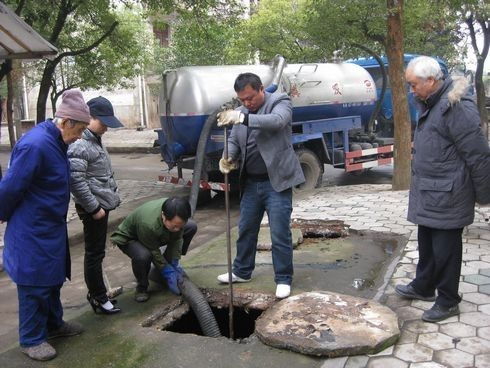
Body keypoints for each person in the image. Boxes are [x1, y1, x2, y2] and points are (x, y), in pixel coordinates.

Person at [396, 56, 490, 322]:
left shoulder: (455, 106)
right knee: (427, 243)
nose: (411, 90)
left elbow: (478, 154)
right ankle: (424, 286)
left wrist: (484, 195)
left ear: (431, 81)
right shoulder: (429, 102)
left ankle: (448, 300)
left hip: (450, 192)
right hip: (429, 189)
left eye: (414, 85)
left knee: (445, 250)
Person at [0, 89, 90, 361]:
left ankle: (54, 324)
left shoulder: (57, 142)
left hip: (49, 226)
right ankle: (31, 338)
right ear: (65, 122)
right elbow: (11, 187)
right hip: (32, 228)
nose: (80, 136)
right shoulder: (36, 145)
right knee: (34, 284)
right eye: (79, 130)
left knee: (52, 280)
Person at [215, 73, 305, 299]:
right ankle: (242, 271)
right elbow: (234, 140)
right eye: (242, 100)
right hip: (252, 182)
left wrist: (242, 117)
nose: (246, 103)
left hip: (276, 182)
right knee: (246, 229)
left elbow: (277, 122)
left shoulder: (280, 102)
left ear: (261, 89)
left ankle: (283, 278)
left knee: (279, 233)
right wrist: (228, 157)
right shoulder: (242, 112)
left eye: (250, 98)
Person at [68, 96, 124, 315]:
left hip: (101, 207)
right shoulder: (81, 144)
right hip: (94, 210)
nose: (106, 128)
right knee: (94, 254)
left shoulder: (94, 140)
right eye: (103, 122)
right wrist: (94, 208)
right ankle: (99, 298)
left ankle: (99, 294)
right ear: (89, 117)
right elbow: (76, 181)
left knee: (97, 252)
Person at [111, 197, 197, 302]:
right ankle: (142, 287)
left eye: (180, 226)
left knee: (191, 226)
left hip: (155, 233)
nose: (178, 229)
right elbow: (153, 250)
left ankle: (168, 264)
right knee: (143, 255)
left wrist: (175, 261)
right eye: (175, 226)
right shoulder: (148, 224)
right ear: (163, 216)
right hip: (132, 237)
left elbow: (177, 238)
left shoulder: (176, 210)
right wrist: (167, 270)